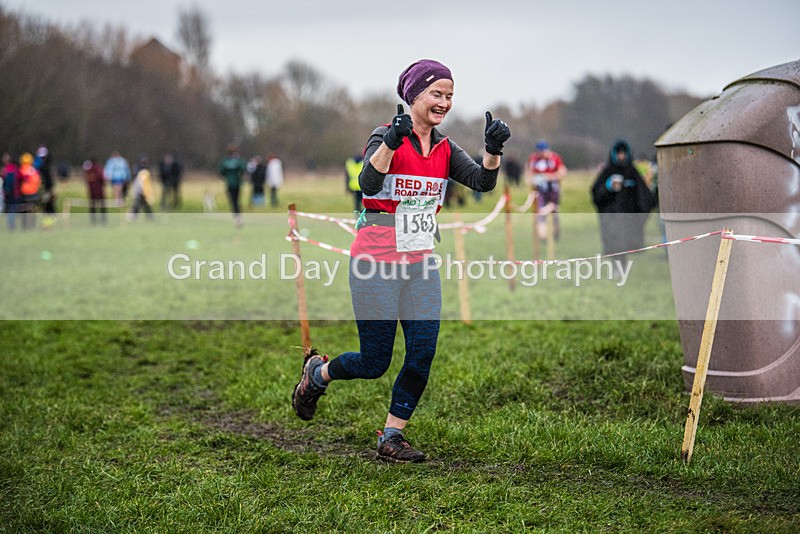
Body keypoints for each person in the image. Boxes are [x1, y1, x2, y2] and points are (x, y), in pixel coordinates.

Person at [291, 59, 511, 463]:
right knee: (375, 361)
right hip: (374, 261)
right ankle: (317, 375)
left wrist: (493, 151)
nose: (444, 102)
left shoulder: (445, 148)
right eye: (436, 94)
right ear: (414, 97)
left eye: (449, 95)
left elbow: (483, 181)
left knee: (422, 353)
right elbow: (368, 184)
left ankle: (392, 436)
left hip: (420, 263)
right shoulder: (384, 136)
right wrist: (393, 141)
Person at [591, 139, 656, 271]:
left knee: (626, 242)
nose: (621, 156)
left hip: (629, 216)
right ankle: (617, 268)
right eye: (619, 153)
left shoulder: (632, 172)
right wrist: (608, 187)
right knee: (615, 243)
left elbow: (644, 195)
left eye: (623, 153)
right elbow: (596, 194)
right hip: (611, 216)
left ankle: (623, 268)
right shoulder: (607, 171)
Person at [526, 140, 567, 240]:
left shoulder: (555, 158)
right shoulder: (533, 159)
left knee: (554, 212)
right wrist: (531, 181)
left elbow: (562, 172)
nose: (542, 154)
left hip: (553, 190)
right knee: (541, 213)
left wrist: (548, 177)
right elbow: (528, 173)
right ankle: (542, 236)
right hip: (540, 190)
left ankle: (555, 234)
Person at [218, 145, 246, 226]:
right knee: (236, 201)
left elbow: (221, 171)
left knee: (233, 201)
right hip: (237, 183)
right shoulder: (238, 161)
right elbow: (243, 168)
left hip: (230, 184)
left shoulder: (225, 161)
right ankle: (238, 217)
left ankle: (236, 217)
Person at [17, 152, 42, 230]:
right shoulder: (34, 171)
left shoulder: (20, 171)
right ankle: (32, 225)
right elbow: (39, 182)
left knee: (23, 211)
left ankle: (24, 226)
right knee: (32, 211)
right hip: (34, 194)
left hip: (23, 195)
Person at [127, 155, 155, 221]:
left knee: (146, 206)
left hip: (144, 192)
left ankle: (150, 218)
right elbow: (137, 182)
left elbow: (148, 183)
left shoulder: (147, 171)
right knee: (136, 205)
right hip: (139, 192)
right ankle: (133, 217)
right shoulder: (138, 170)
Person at [35, 145, 56, 227]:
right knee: (47, 207)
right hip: (45, 190)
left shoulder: (41, 167)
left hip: (44, 190)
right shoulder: (45, 167)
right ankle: (47, 224)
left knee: (47, 207)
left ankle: (48, 224)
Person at [83, 157, 107, 225]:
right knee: (102, 205)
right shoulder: (98, 169)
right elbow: (102, 179)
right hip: (99, 191)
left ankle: (93, 220)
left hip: (91, 191)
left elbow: (87, 180)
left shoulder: (88, 170)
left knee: (92, 205)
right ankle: (103, 219)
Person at [2, 153, 18, 230]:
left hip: (7, 193)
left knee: (9, 209)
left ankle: (10, 226)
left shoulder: (4, 170)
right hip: (14, 193)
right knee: (12, 209)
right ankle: (12, 225)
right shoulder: (14, 168)